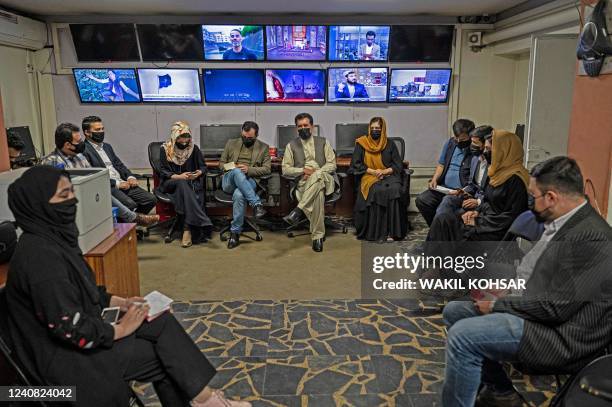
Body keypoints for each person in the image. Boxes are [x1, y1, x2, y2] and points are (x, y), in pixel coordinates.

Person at [5, 165, 251, 407]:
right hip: (64, 363)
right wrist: (120, 329)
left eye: (71, 192)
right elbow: (69, 328)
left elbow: (89, 293)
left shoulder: (53, 239)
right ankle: (207, 401)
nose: (73, 201)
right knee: (164, 358)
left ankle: (205, 400)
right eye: (63, 196)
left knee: (160, 320)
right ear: (38, 205)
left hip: (82, 336)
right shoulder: (40, 259)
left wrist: (123, 302)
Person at [441, 156, 612, 407]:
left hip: (563, 336)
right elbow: (539, 279)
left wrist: (499, 305)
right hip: (540, 314)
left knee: (462, 335)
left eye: (534, 197)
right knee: (455, 311)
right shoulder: (565, 221)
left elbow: (556, 307)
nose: (531, 204)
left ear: (552, 197)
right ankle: (500, 392)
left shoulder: (592, 238)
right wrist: (506, 292)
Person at [41, 123, 158, 227]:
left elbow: (95, 176)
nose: (82, 144)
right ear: (67, 145)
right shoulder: (52, 162)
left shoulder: (79, 157)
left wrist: (130, 177)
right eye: (78, 142)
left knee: (147, 199)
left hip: (90, 193)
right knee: (110, 197)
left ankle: (130, 220)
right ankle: (133, 218)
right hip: (72, 200)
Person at [427, 130, 528, 242]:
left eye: (489, 150)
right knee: (443, 218)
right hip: (486, 219)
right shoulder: (500, 173)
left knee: (448, 225)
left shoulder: (516, 179)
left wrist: (478, 221)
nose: (485, 152)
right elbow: (491, 202)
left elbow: (512, 216)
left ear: (503, 151)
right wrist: (477, 212)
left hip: (495, 229)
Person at [282, 113, 337, 252]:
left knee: (317, 177)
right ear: (296, 128)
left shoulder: (324, 142)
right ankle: (318, 236)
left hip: (324, 179)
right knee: (318, 195)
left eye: (305, 125)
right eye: (300, 126)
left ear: (312, 126)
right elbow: (285, 170)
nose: (303, 128)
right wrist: (302, 171)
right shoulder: (291, 146)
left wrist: (317, 172)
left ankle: (298, 210)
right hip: (303, 183)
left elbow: (332, 164)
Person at [82, 115, 157, 216]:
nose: (101, 132)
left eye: (102, 129)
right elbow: (94, 177)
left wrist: (130, 177)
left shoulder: (107, 146)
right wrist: (117, 184)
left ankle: (133, 222)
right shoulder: (84, 150)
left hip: (124, 182)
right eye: (97, 129)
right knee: (130, 204)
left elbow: (119, 165)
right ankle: (130, 222)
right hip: (109, 186)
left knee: (151, 199)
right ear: (87, 132)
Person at [350, 117, 408, 242]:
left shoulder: (390, 144)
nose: (375, 130)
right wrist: (374, 172)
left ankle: (393, 232)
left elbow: (397, 165)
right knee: (377, 191)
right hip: (370, 176)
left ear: (383, 129)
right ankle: (377, 232)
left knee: (395, 190)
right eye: (372, 128)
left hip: (388, 175)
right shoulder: (361, 143)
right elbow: (356, 164)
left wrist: (384, 171)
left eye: (377, 128)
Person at [158, 121, 212, 248]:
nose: (185, 140)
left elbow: (203, 167)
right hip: (170, 182)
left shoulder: (194, 148)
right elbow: (163, 170)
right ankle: (199, 223)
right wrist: (179, 177)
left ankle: (187, 229)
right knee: (182, 183)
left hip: (190, 182)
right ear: (174, 136)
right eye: (181, 137)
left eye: (187, 137)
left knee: (191, 189)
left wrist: (198, 173)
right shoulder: (165, 149)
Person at [219, 121, 270, 249]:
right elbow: (221, 165)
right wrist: (234, 167)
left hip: (249, 180)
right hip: (229, 181)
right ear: (241, 133)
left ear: (256, 136)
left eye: (250, 138)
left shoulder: (263, 147)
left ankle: (235, 233)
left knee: (239, 194)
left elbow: (267, 169)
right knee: (236, 171)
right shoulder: (231, 143)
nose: (246, 139)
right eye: (244, 137)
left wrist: (249, 169)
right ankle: (256, 204)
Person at [415, 119, 475, 226]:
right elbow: (441, 164)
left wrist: (462, 191)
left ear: (470, 136)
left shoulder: (475, 150)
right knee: (422, 200)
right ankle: (436, 228)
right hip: (444, 188)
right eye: (456, 138)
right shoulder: (450, 143)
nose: (458, 141)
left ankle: (438, 232)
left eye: (462, 139)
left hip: (460, 192)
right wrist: (434, 179)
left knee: (444, 206)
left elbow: (475, 180)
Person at [435, 125, 492, 217]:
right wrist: (461, 191)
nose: (471, 145)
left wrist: (478, 201)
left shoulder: (493, 164)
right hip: (470, 196)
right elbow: (472, 185)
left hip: (483, 202)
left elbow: (493, 193)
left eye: (474, 143)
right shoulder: (475, 159)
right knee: (447, 202)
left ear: (485, 144)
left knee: (450, 215)